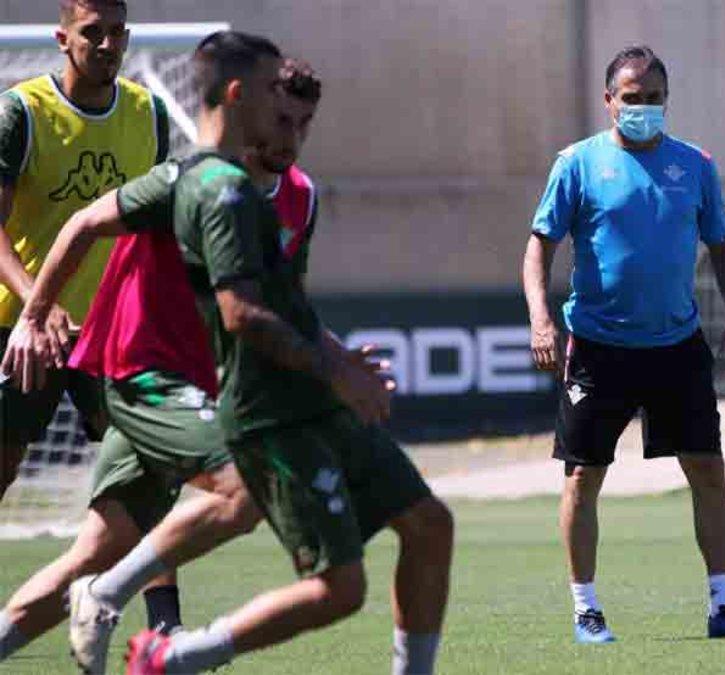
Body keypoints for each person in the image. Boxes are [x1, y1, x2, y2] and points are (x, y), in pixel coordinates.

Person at [5, 31, 453, 675]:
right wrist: (35, 313)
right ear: (248, 100)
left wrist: (337, 360)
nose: (290, 131)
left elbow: (280, 305)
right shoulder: (198, 181)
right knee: (247, 500)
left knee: (94, 552)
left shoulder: (297, 196)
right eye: (279, 107)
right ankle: (154, 632)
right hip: (152, 379)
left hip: (215, 383)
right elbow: (238, 310)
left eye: (303, 120)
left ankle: (106, 602)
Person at [523, 45, 725, 643]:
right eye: (632, 99)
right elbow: (539, 247)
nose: (644, 108)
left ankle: (724, 608)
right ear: (609, 101)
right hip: (599, 347)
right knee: (583, 478)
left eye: (654, 98)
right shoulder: (577, 164)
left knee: (708, 470)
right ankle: (586, 610)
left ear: (667, 100)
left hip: (676, 346)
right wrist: (541, 320)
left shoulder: (695, 166)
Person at [0, 0, 183, 644]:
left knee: (148, 470)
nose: (107, 44)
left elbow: (156, 223)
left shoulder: (149, 113)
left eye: (117, 33)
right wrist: (37, 306)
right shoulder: (20, 112)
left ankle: (164, 628)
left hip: (116, 332)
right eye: (92, 33)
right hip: (23, 331)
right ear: (62, 38)